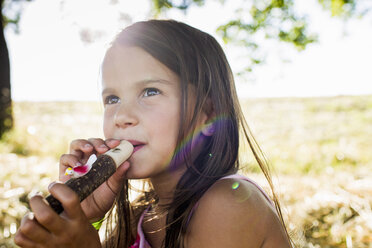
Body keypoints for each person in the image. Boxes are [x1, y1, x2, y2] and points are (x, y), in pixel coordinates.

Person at [15, 19, 293, 248]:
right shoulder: (142, 214)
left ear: (209, 115)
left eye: (150, 91)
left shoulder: (229, 203)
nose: (122, 116)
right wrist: (87, 219)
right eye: (112, 98)